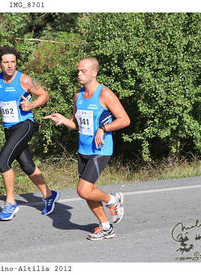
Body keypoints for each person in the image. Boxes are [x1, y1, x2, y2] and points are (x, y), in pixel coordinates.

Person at [45, 57, 130, 240]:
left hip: (100, 150)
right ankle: (106, 226)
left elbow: (124, 119)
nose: (79, 74)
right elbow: (77, 124)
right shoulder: (78, 96)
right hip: (83, 149)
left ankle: (114, 200)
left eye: (83, 71)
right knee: (89, 192)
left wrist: (104, 128)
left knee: (83, 190)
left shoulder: (104, 94)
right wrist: (63, 120)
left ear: (94, 73)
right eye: (78, 70)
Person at [0, 46, 60, 221]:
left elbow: (44, 94)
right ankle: (49, 195)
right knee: (27, 165)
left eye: (13, 62)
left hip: (24, 125)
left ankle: (10, 203)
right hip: (8, 129)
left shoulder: (24, 79)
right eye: (6, 62)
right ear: (0, 64)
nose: (10, 65)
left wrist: (32, 105)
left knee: (3, 161)